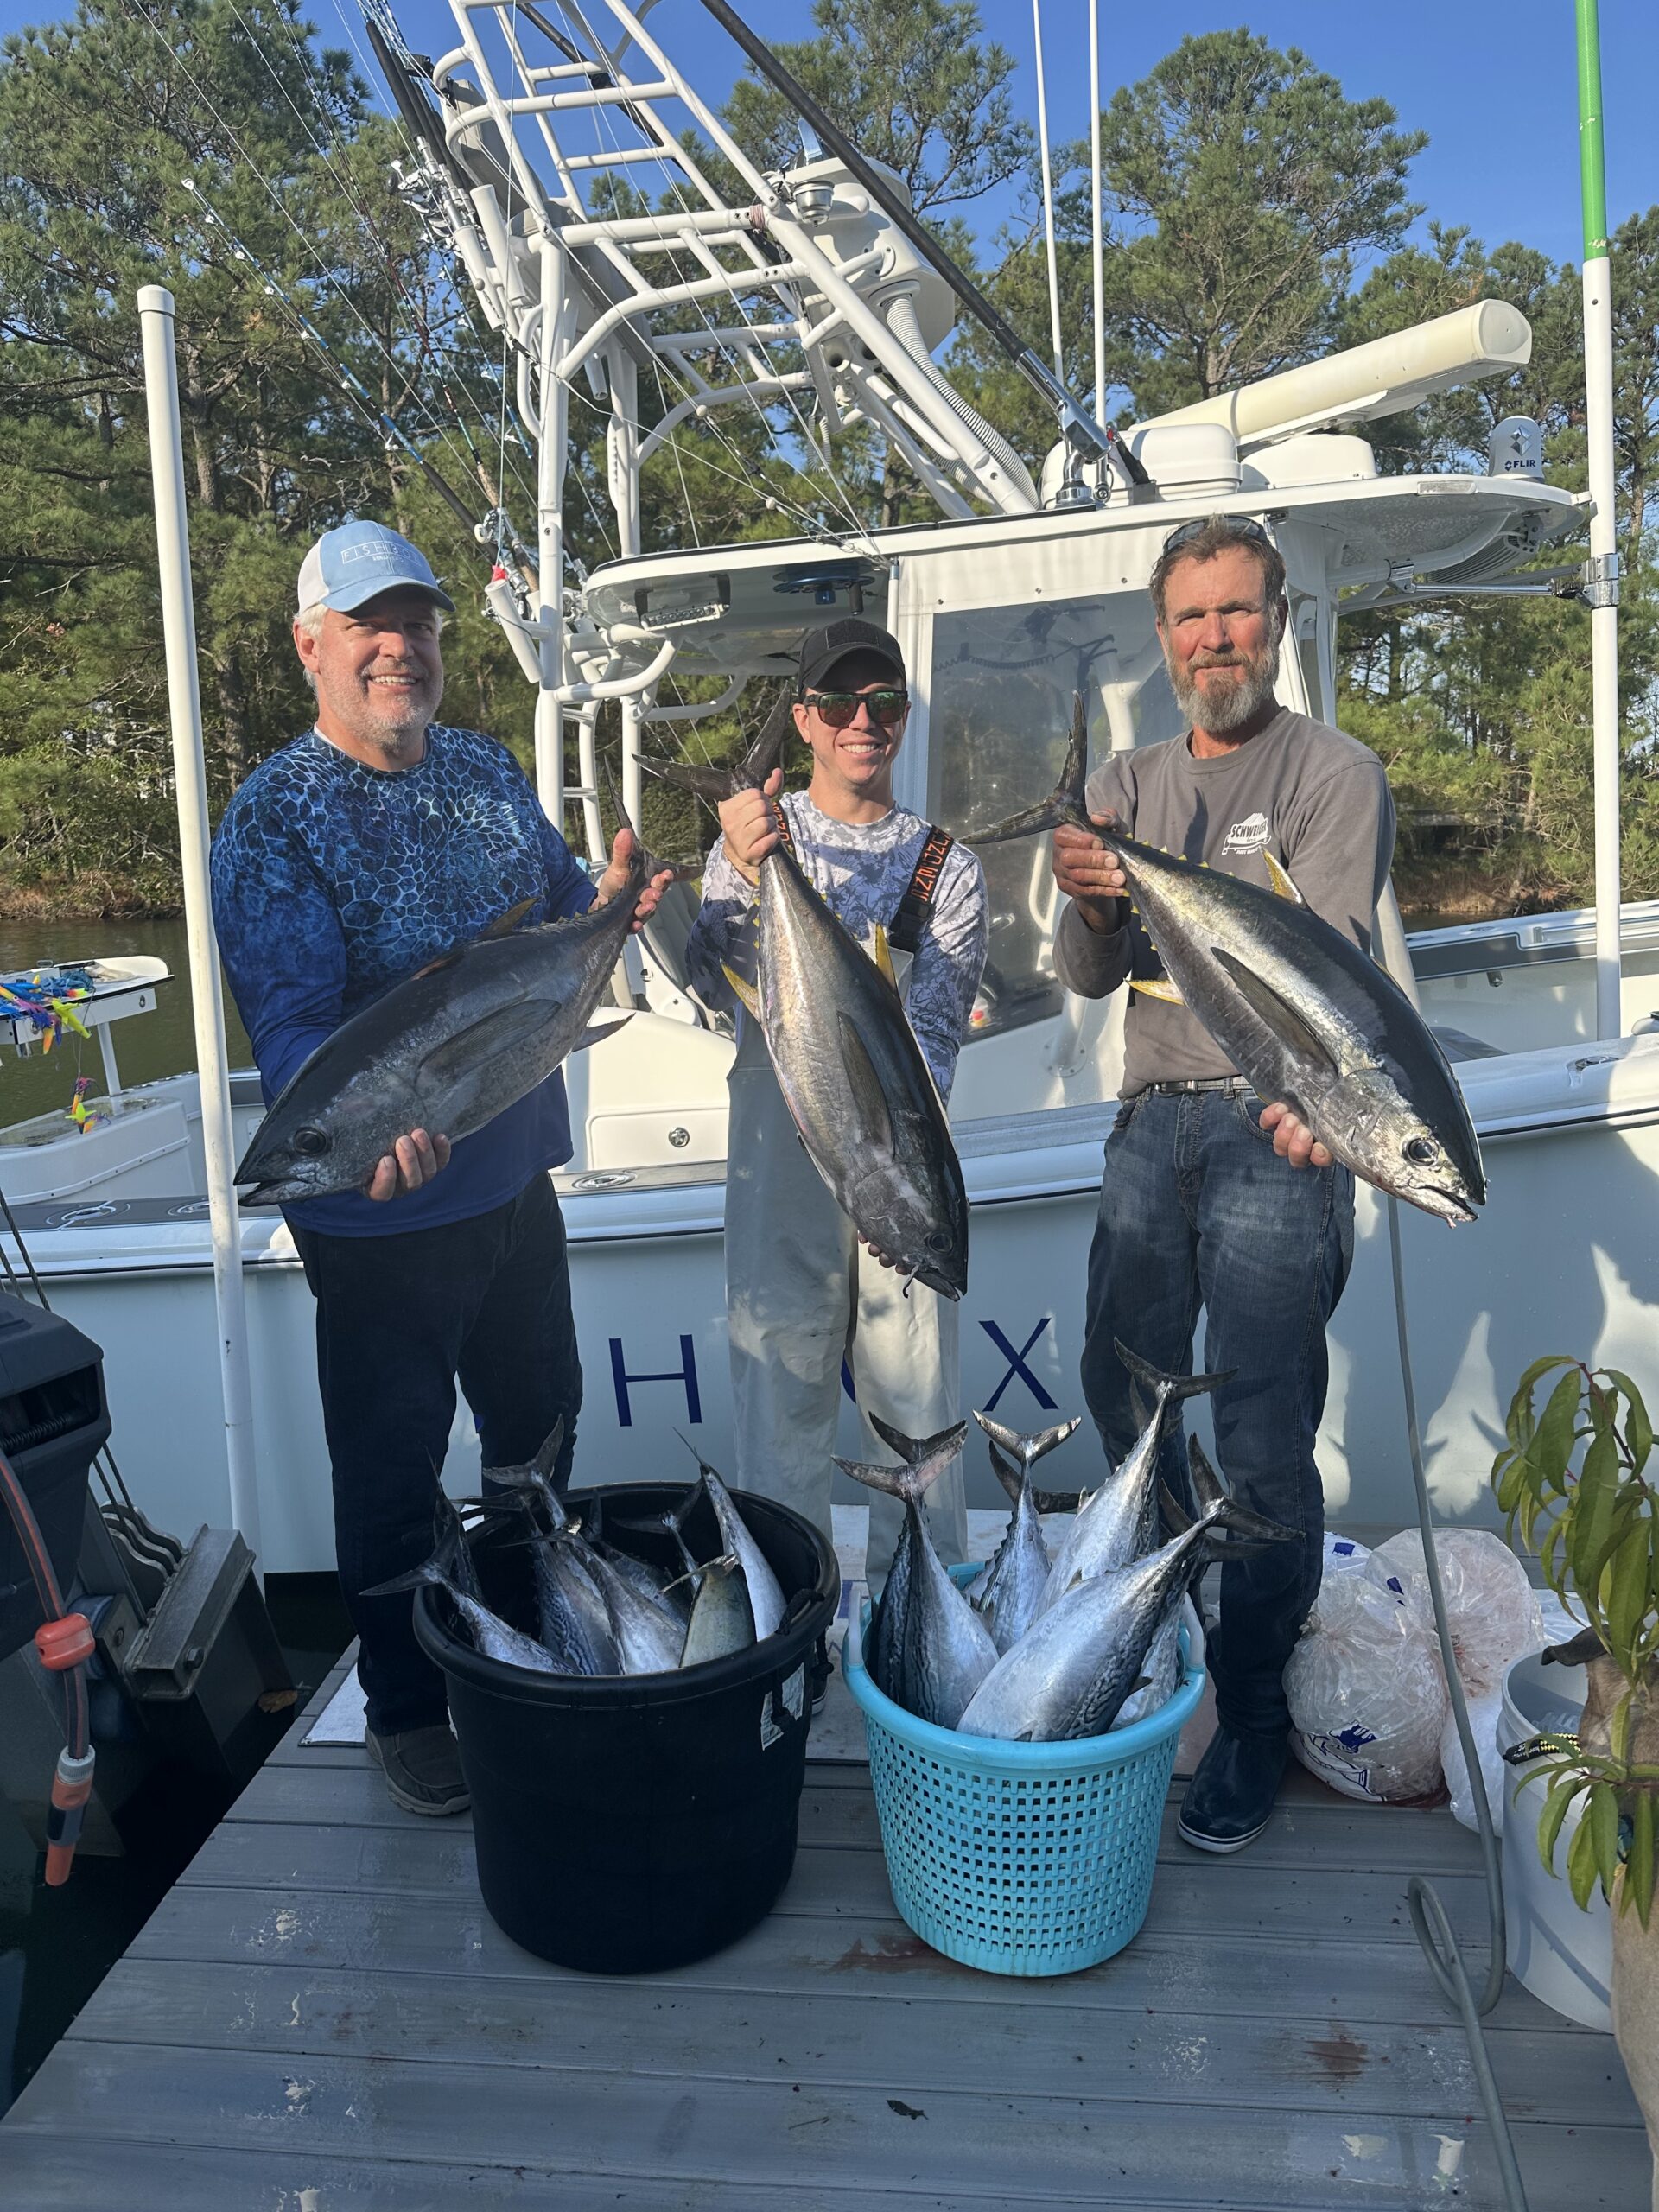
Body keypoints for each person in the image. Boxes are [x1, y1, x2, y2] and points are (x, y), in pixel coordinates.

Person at [211, 519, 667, 1816]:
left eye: (414, 623)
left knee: (538, 1424)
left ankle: (524, 1639)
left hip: (514, 1173)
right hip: (380, 1221)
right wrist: (361, 1143)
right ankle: (409, 1705)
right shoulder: (273, 818)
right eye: (367, 626)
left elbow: (563, 900)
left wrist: (615, 897)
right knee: (392, 1464)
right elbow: (298, 1033)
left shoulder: (480, 765)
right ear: (312, 646)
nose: (397, 647)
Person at [1051, 512, 1396, 1853]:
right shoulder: (1124, 785)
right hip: (1148, 1123)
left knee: (1261, 1434)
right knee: (1123, 1401)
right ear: (1163, 638)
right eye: (1193, 619)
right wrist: (1088, 900)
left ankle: (1250, 1713)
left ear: (1279, 623)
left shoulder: (1330, 772)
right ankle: (1190, 1621)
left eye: (1240, 612)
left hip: (1273, 1128)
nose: (1217, 640)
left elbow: (1331, 962)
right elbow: (1089, 980)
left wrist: (1325, 1108)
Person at [685, 619, 989, 1582]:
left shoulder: (947, 869)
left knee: (918, 1402)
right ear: (807, 721)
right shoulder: (754, 839)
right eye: (840, 703)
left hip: (894, 1149)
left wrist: (883, 1179)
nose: (865, 720)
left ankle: (920, 1605)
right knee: (781, 1400)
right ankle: (794, 1613)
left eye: (885, 701)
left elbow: (931, 1047)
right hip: (781, 1142)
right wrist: (738, 866)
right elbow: (703, 978)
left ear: (904, 715)